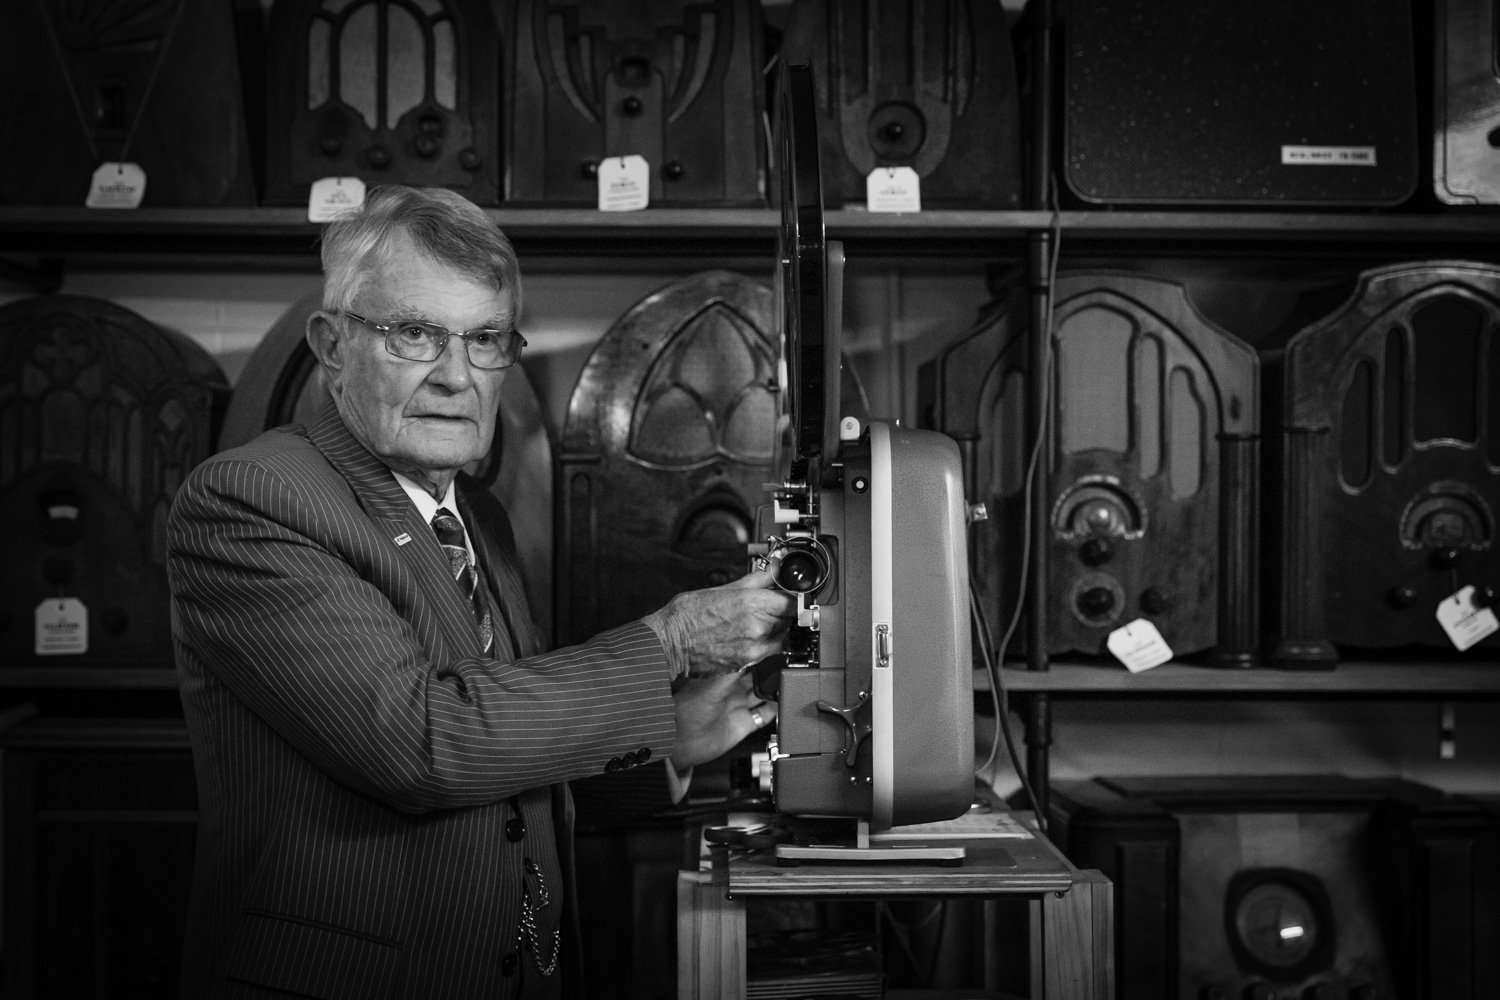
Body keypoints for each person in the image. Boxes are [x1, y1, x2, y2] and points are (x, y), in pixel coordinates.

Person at [167, 184, 793, 999]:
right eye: (416, 334)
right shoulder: (251, 497)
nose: (455, 377)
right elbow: (421, 742)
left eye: (486, 338)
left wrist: (665, 743)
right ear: (330, 346)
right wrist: (665, 644)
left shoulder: (477, 515)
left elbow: (505, 766)